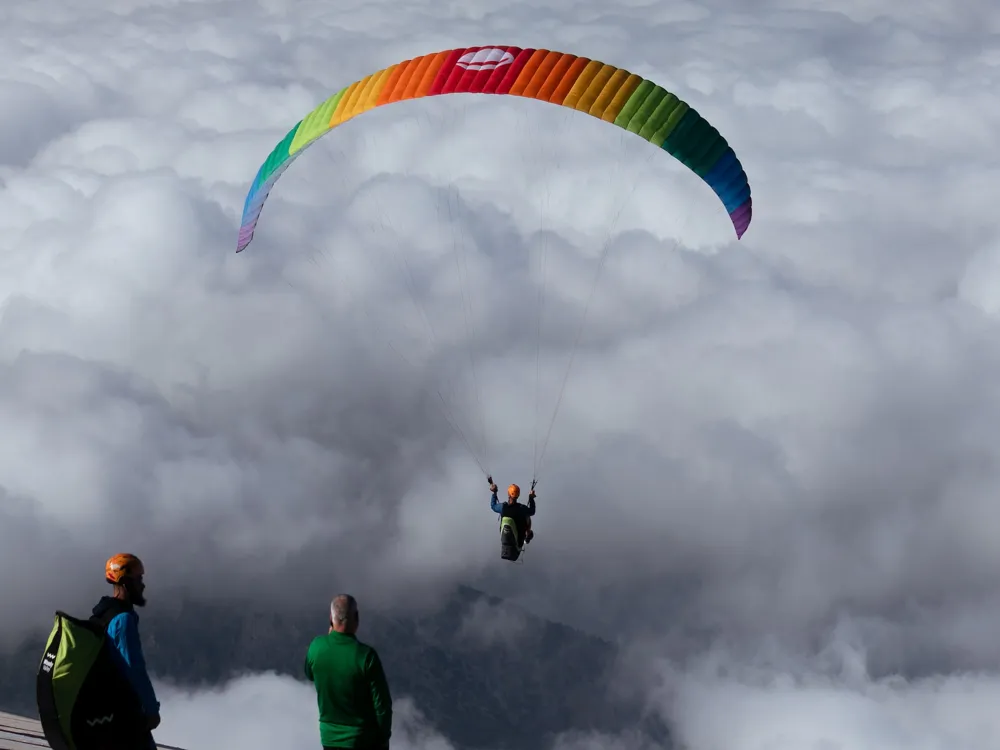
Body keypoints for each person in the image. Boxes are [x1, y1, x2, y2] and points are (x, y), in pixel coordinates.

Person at [305, 594, 393, 750]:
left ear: (331, 618)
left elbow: (309, 674)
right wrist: (384, 739)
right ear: (356, 618)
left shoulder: (316, 647)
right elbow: (382, 705)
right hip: (362, 739)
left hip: (329, 739)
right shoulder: (366, 656)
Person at [90, 553, 161, 747]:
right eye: (138, 579)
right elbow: (134, 667)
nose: (142, 585)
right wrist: (151, 709)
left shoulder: (103, 613)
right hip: (122, 708)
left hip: (103, 707)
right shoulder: (123, 620)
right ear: (125, 582)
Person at [488, 476, 536, 561]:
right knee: (527, 518)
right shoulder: (522, 509)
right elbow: (532, 511)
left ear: (508, 494)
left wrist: (494, 493)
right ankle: (527, 538)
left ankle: (525, 537)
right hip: (517, 544)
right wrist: (531, 498)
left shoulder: (503, 507)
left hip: (506, 540)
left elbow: (493, 506)